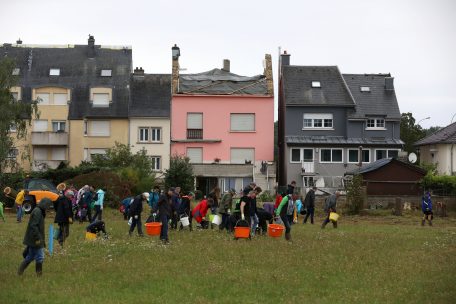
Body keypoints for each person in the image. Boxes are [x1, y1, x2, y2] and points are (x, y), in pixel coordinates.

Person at [18, 198, 52, 276]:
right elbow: (34, 226)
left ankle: (20, 272)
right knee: (40, 256)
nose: (48, 208)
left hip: (34, 238)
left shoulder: (39, 211)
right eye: (47, 206)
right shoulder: (37, 211)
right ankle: (39, 275)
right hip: (35, 238)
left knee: (30, 257)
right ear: (44, 204)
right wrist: (37, 238)